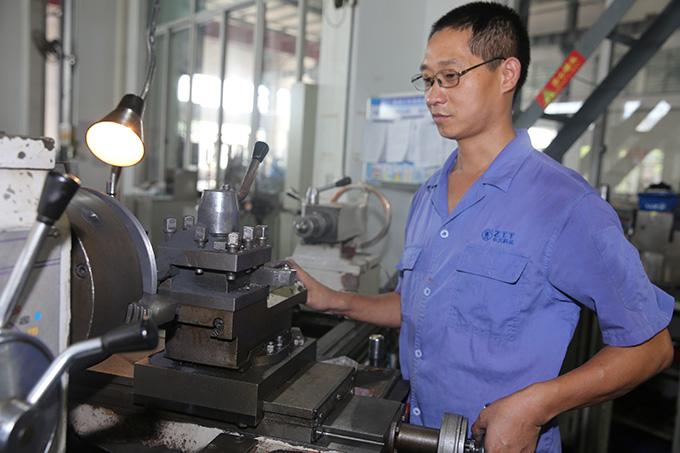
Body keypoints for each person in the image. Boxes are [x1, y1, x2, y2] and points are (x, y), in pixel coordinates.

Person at [291, 2, 674, 452]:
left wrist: (535, 406)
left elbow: (651, 347)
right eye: (428, 80)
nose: (433, 96)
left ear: (506, 74)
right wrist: (332, 300)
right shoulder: (429, 196)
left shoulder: (565, 205)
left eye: (451, 76)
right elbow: (418, 306)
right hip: (417, 436)